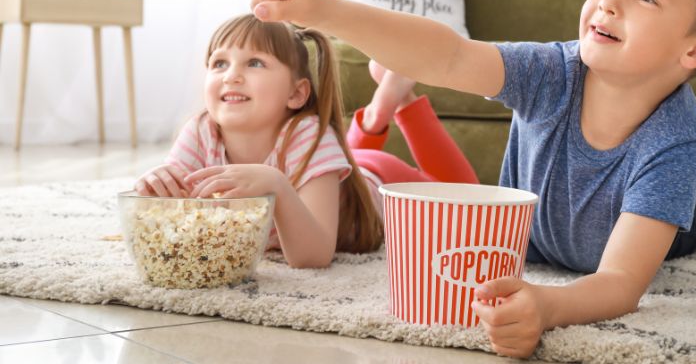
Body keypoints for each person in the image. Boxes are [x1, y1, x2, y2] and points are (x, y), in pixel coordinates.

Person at [233, 0, 696, 358]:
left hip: (651, 226)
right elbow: (449, 54)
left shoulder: (678, 142)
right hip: (549, 238)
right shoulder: (553, 72)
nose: (608, 0)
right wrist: (326, 10)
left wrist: (548, 304)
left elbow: (621, 282)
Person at [134, 14, 478, 269]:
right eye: (219, 63)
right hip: (346, 166)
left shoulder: (308, 134)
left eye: (254, 63)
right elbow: (172, 219)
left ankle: (397, 106)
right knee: (349, 158)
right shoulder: (199, 130)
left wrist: (277, 186)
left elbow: (313, 256)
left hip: (380, 180)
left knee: (469, 201)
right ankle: (375, 115)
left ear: (297, 93)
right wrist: (156, 185)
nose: (232, 75)